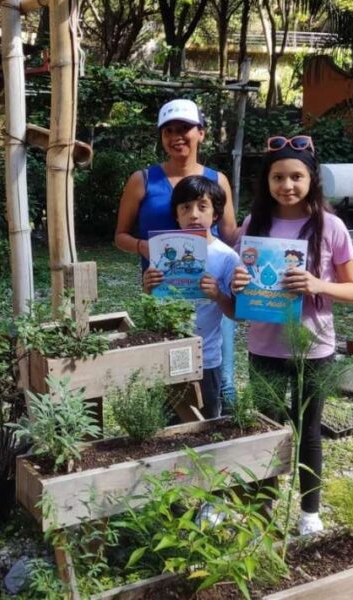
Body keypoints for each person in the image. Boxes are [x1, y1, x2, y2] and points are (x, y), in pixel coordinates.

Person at [229, 135, 353, 535]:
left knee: (309, 431)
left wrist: (317, 285)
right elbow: (241, 281)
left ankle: (309, 513)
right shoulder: (255, 224)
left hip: (314, 348)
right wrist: (237, 281)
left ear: (312, 179)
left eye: (296, 176)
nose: (287, 185)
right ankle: (262, 510)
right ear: (266, 182)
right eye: (278, 177)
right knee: (265, 429)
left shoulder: (331, 226)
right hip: (263, 345)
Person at [114, 98, 239, 404]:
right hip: (164, 294)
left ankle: (220, 440)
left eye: (184, 128)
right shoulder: (142, 180)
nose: (176, 136)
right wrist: (146, 247)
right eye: (168, 130)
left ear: (202, 133)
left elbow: (230, 234)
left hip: (210, 295)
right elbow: (120, 236)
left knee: (221, 380)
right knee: (167, 377)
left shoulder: (217, 180)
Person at [142, 176, 240, 418]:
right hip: (166, 354)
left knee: (204, 425)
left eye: (202, 206)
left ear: (216, 214)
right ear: (176, 215)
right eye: (185, 208)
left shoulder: (227, 257)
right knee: (164, 424)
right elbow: (153, 303)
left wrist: (217, 294)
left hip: (205, 358)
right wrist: (148, 287)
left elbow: (237, 314)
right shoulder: (163, 250)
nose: (193, 215)